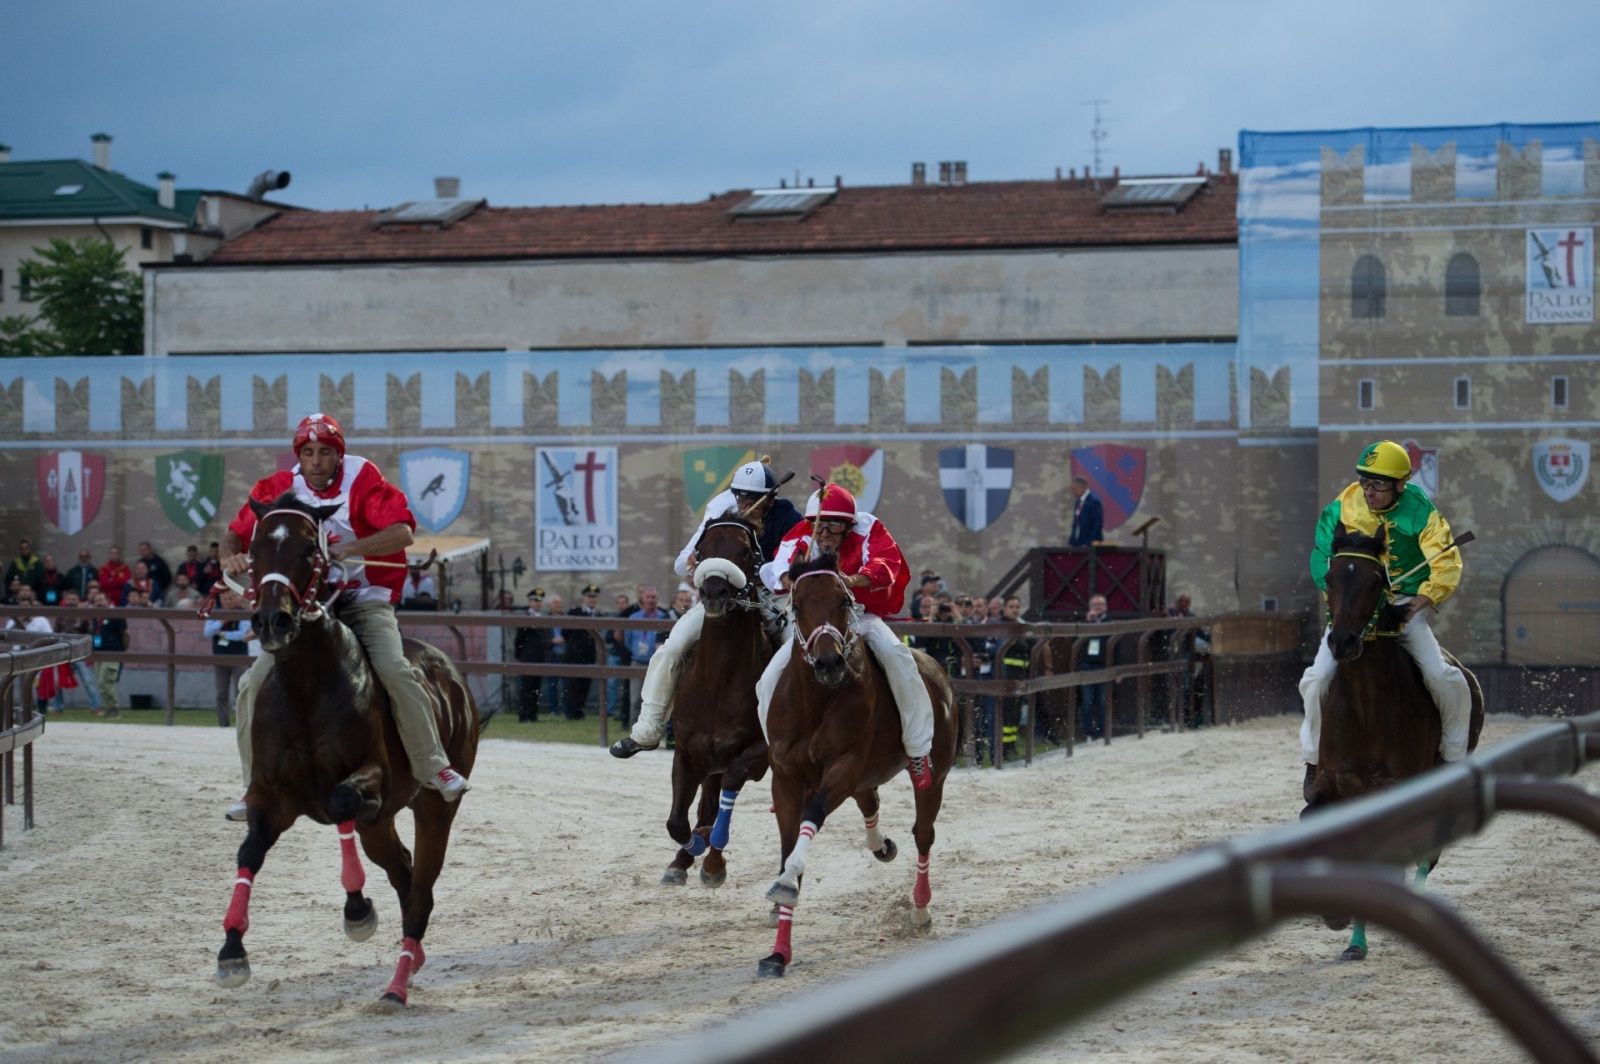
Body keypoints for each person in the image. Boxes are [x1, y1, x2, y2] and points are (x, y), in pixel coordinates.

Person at [222, 412, 468, 820]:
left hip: (364, 598)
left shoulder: (364, 478)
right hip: (306, 607)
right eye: (308, 452)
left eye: (324, 452)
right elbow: (236, 530)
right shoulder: (279, 487)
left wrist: (347, 551)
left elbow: (403, 532)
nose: (316, 461)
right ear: (298, 455)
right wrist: (229, 552)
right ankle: (256, 788)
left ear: (339, 454)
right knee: (252, 683)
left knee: (394, 669)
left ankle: (433, 766)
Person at [1299, 440, 1471, 795]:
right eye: (1365, 481)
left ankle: (1453, 759)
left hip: (1403, 608)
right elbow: (1321, 556)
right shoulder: (1341, 508)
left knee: (1445, 677)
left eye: (1378, 484)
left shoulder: (1421, 512)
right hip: (1355, 607)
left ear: (1400, 484)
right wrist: (1341, 598)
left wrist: (1421, 601)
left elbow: (1444, 562)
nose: (1369, 490)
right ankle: (1314, 761)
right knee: (1316, 680)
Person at [610, 458, 801, 758]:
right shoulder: (722, 516)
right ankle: (647, 730)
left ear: (771, 498)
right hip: (726, 597)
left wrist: (759, 570)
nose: (744, 503)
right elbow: (682, 561)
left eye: (752, 498)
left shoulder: (789, 517)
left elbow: (792, 561)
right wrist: (695, 560)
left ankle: (799, 732)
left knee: (798, 649)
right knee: (671, 648)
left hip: (773, 598)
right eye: (740, 495)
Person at [755, 484, 934, 789]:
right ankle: (781, 762)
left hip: (859, 614)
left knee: (897, 656)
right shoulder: (803, 530)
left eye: (834, 525)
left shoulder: (869, 527)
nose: (823, 533)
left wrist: (847, 580)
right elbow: (778, 569)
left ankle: (918, 750)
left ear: (849, 524)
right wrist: (790, 578)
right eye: (819, 525)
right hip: (816, 623)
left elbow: (885, 565)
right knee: (768, 680)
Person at [205, 590, 254, 727]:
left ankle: (243, 725)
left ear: (236, 598)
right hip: (220, 658)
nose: (228, 602)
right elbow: (207, 631)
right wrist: (220, 623)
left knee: (241, 693)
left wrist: (223, 634)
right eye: (225, 599)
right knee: (221, 694)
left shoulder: (243, 612)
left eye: (231, 598)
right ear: (221, 599)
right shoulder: (215, 613)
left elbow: (243, 634)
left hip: (239, 658)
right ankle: (223, 723)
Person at [623, 586, 668, 725]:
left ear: (657, 599)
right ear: (642, 599)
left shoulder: (663, 617)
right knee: (636, 698)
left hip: (656, 663)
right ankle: (635, 728)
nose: (650, 600)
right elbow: (628, 641)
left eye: (653, 597)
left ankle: (654, 728)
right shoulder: (633, 617)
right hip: (637, 661)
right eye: (648, 597)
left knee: (657, 698)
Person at [563, 584, 603, 719]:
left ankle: (579, 711)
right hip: (574, 654)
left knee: (585, 685)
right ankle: (571, 712)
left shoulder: (597, 615)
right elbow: (566, 632)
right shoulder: (574, 612)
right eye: (589, 597)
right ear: (584, 598)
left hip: (589, 655)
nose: (592, 599)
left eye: (594, 597)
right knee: (573, 685)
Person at [514, 588, 550, 722]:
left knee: (536, 687)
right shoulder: (526, 617)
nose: (537, 603)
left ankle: (533, 714)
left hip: (539, 657)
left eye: (539, 601)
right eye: (535, 600)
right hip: (528, 656)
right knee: (527, 687)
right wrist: (520, 654)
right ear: (529, 602)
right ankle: (524, 715)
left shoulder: (540, 617)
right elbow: (519, 639)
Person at [1078, 594, 1110, 740]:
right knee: (1087, 701)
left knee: (1103, 701)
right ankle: (1088, 732)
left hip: (1104, 665)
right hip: (1087, 665)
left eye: (1100, 605)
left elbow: (1117, 648)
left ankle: (1102, 732)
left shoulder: (1110, 622)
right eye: (1094, 605)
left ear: (1106, 607)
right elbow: (1076, 642)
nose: (1097, 608)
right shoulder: (1084, 622)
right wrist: (1088, 623)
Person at [89, 588, 125, 716]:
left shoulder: (115, 614)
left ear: (107, 600)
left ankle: (113, 709)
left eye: (100, 600)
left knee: (106, 682)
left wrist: (122, 650)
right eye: (96, 601)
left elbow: (126, 634)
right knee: (100, 682)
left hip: (112, 652)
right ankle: (109, 709)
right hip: (98, 653)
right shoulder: (95, 617)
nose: (98, 603)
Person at [1068, 476, 1103, 547]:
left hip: (1090, 545)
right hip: (1077, 543)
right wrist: (1071, 541)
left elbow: (1097, 524)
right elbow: (1076, 523)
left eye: (1074, 489)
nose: (1073, 492)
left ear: (1082, 487)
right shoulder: (1077, 503)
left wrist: (1088, 542)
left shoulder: (1094, 502)